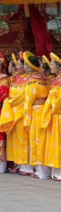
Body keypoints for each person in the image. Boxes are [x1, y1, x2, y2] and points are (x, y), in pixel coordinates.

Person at [22, 52, 49, 179]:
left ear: (31, 66)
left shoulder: (32, 82)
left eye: (26, 65)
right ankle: (44, 170)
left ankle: (40, 171)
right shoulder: (43, 79)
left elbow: (28, 103)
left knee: (36, 141)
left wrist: (26, 120)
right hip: (44, 111)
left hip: (36, 113)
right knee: (43, 141)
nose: (25, 67)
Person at [41, 52, 61, 181]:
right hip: (54, 115)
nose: (51, 66)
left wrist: (51, 103)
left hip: (58, 114)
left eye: (53, 64)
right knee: (54, 143)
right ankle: (55, 170)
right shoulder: (56, 81)